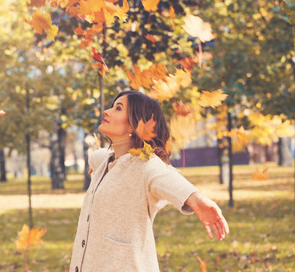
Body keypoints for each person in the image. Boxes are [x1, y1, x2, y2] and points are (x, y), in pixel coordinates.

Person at [69, 91, 229, 272]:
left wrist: (196, 198)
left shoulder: (145, 165)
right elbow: (97, 157)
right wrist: (93, 165)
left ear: (134, 125)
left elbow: (164, 175)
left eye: (118, 108)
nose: (107, 112)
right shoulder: (105, 160)